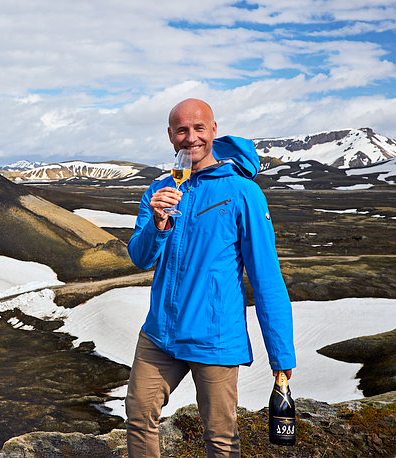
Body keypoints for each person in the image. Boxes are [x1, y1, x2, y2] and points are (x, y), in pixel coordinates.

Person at [125, 98, 296, 458]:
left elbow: (266, 276)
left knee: (220, 438)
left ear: (213, 130)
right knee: (139, 416)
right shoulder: (158, 192)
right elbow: (140, 258)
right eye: (182, 130)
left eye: (198, 128)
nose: (191, 138)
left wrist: (281, 355)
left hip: (215, 338)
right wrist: (157, 223)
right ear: (171, 136)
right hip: (160, 334)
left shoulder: (242, 192)